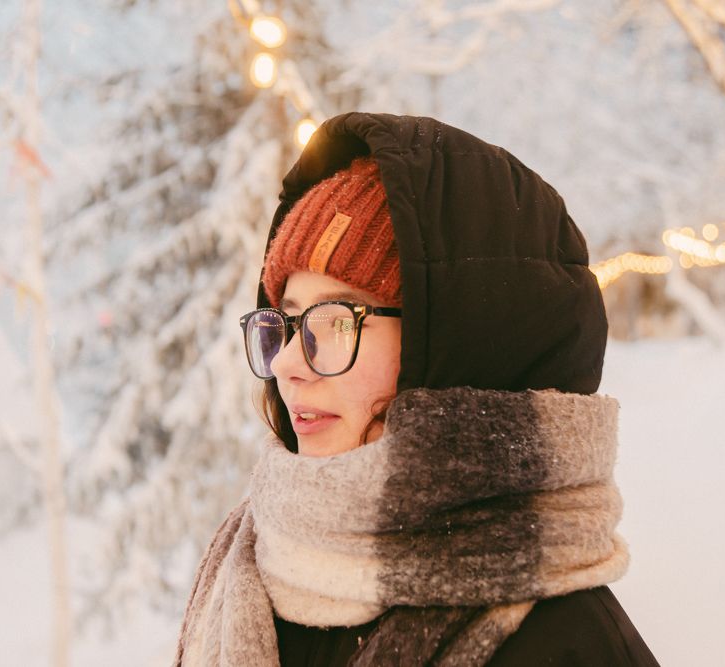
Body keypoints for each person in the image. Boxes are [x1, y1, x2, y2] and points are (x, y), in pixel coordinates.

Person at [173, 112, 659, 666]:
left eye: (335, 321)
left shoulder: (561, 644)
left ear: (455, 348)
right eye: (287, 320)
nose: (286, 363)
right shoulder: (254, 572)